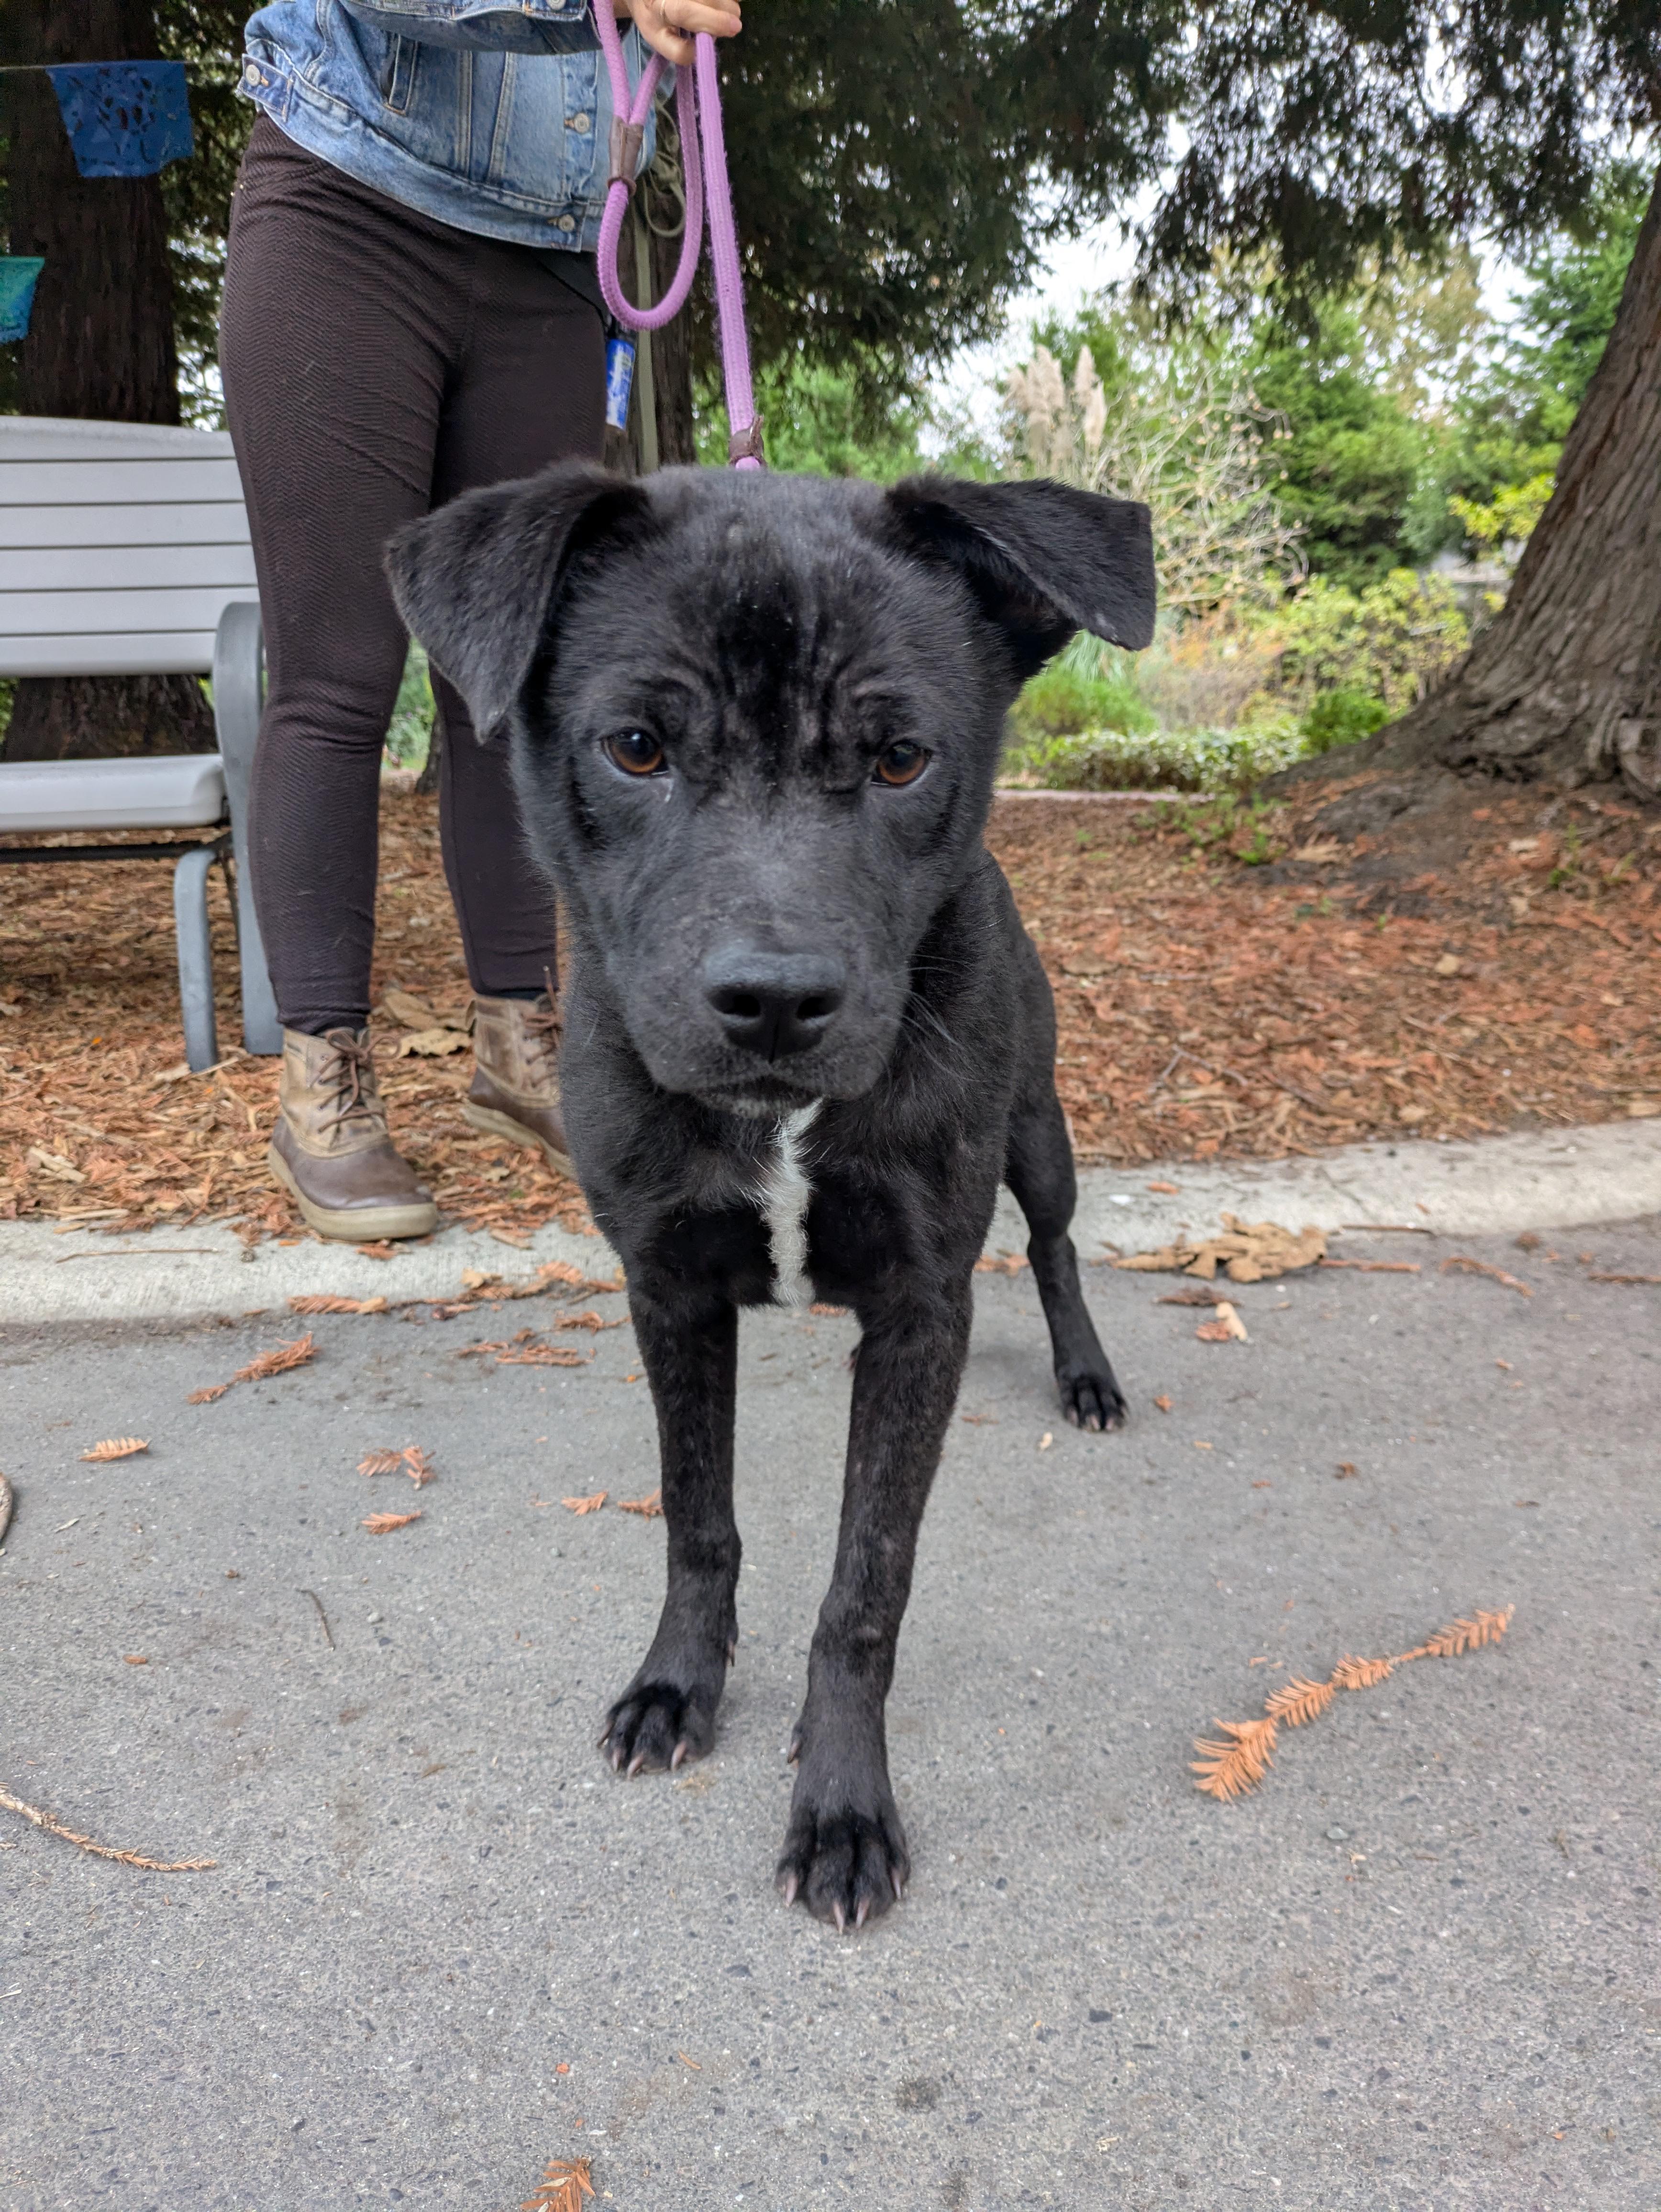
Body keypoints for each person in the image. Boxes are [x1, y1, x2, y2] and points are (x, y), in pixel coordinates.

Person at [220, 0, 740, 1242]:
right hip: (350, 201)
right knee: (337, 675)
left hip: (560, 250)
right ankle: (325, 1084)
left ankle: (523, 1041)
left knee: (517, 684)